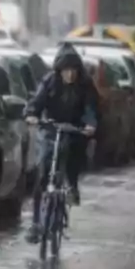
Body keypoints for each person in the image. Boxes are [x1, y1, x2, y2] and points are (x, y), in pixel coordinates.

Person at [23, 43, 98, 243]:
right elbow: (37, 102)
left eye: (73, 70)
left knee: (74, 157)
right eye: (66, 70)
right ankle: (36, 222)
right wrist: (32, 115)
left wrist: (90, 125)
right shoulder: (49, 81)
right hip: (50, 129)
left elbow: (90, 108)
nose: (70, 75)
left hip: (74, 130)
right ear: (59, 70)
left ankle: (72, 186)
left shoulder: (86, 85)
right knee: (42, 172)